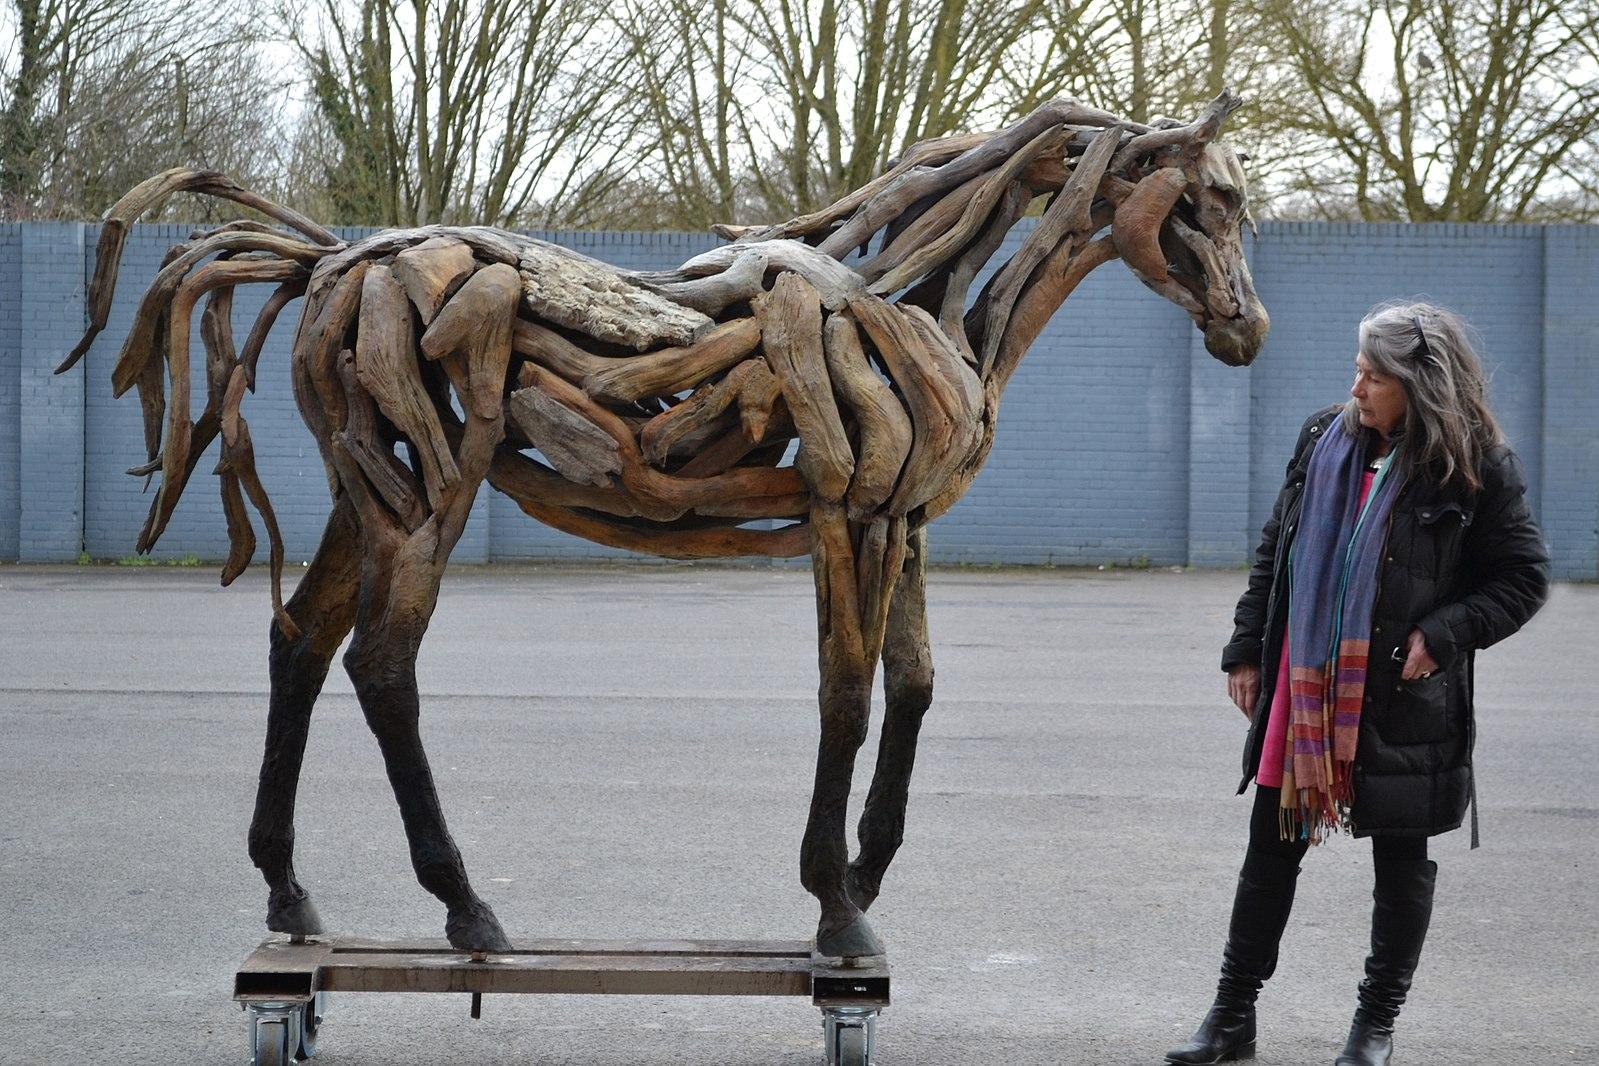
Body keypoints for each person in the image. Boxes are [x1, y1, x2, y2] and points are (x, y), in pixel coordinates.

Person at [1165, 300, 1550, 1066]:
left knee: (1400, 867)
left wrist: (1440, 637)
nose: (1358, 386)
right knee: (1268, 853)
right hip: (1303, 694)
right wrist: (1245, 647)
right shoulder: (1322, 437)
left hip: (1403, 701)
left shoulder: (1472, 467)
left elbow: (1522, 579)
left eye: (1375, 375)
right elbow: (1277, 548)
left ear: (1419, 383)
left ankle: (1373, 1028)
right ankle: (1230, 1019)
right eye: (1357, 370)